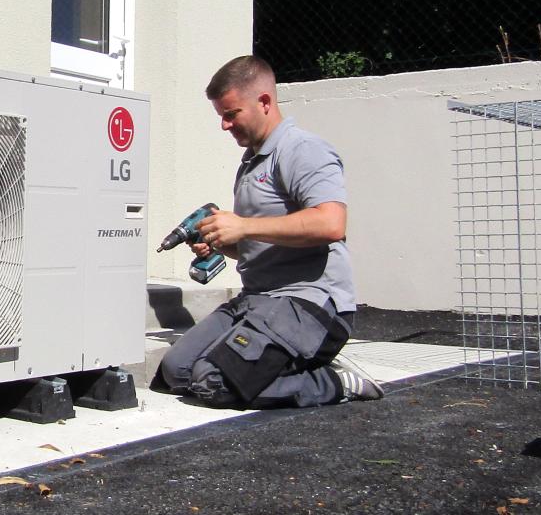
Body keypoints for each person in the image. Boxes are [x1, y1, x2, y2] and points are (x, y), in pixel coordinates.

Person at [154, 55, 382, 408]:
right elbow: (261, 243)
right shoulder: (250, 163)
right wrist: (221, 243)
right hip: (257, 301)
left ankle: (334, 381)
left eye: (231, 114)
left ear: (264, 102)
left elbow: (331, 223)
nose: (225, 126)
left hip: (309, 306)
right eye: (221, 117)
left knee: (214, 383)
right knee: (176, 370)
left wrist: (242, 225)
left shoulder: (303, 150)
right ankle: (285, 365)